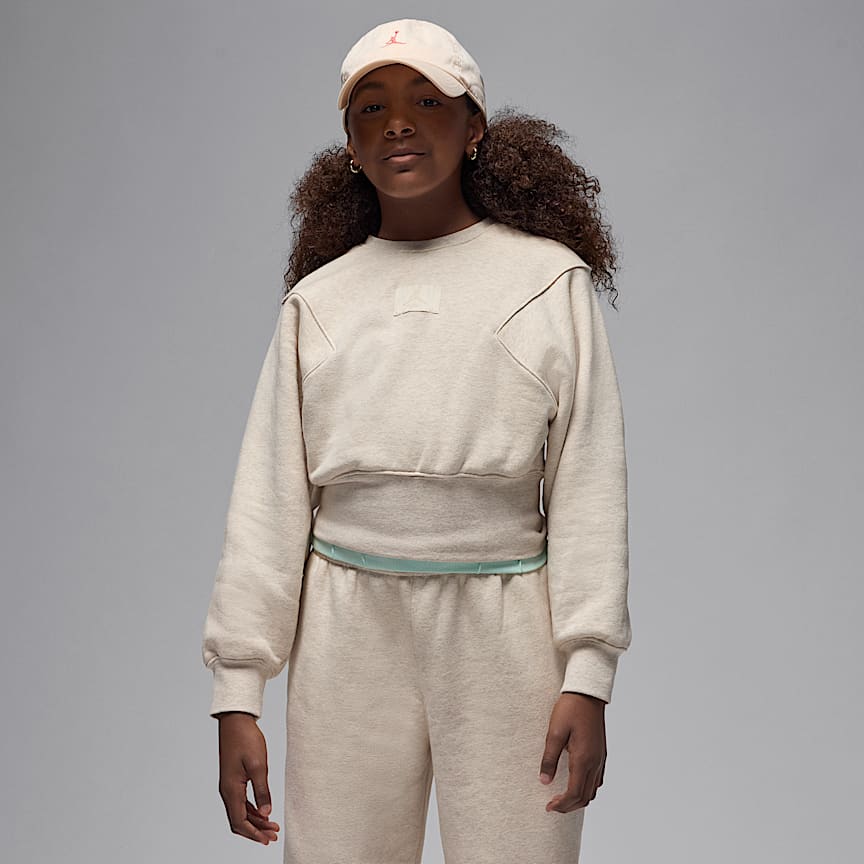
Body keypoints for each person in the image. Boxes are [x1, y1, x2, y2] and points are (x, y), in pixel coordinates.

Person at [201, 17, 632, 863]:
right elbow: (267, 501)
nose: (398, 122)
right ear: (349, 145)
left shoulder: (548, 282)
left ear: (475, 127)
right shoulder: (319, 302)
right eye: (371, 108)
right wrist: (237, 691)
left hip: (507, 626)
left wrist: (588, 676)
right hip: (346, 628)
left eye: (428, 101)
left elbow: (589, 485)